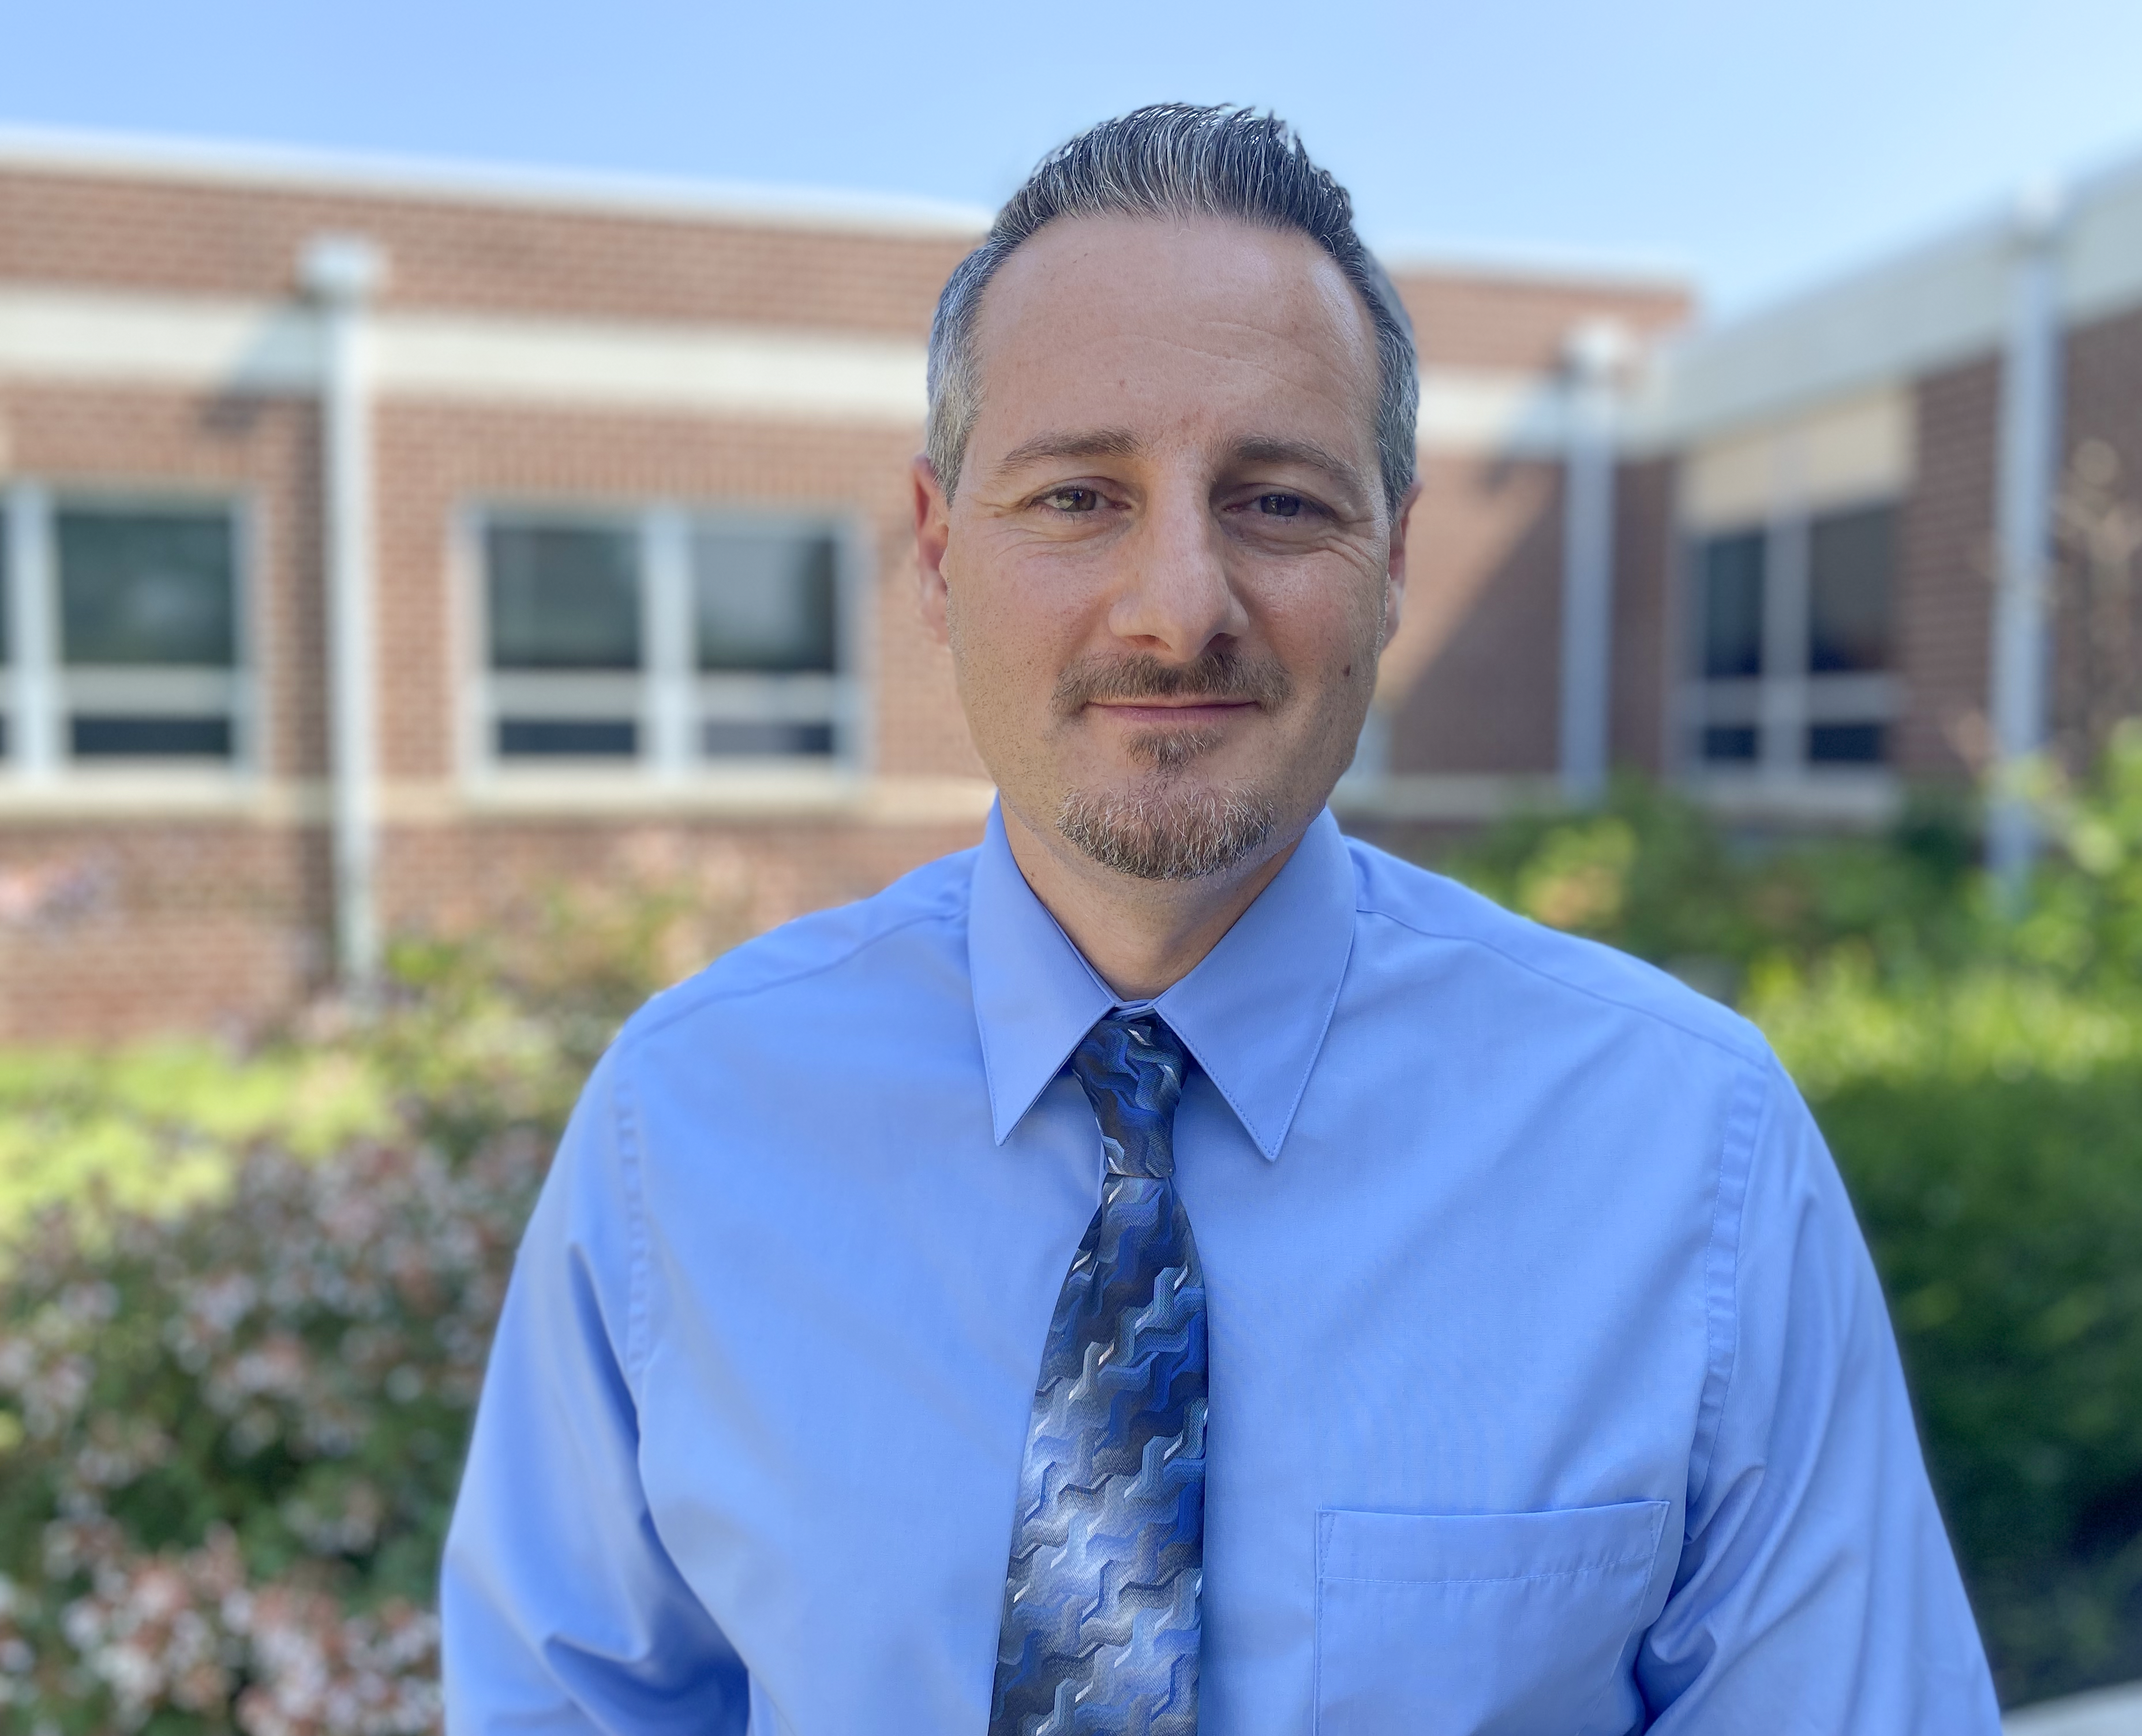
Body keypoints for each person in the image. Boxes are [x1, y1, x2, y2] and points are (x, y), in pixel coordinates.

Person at [441, 104, 2001, 1735]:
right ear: (935, 552)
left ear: (1394, 563)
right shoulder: (682, 1132)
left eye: (1276, 502)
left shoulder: (1694, 1156)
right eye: (1076, 499)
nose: (1180, 603)